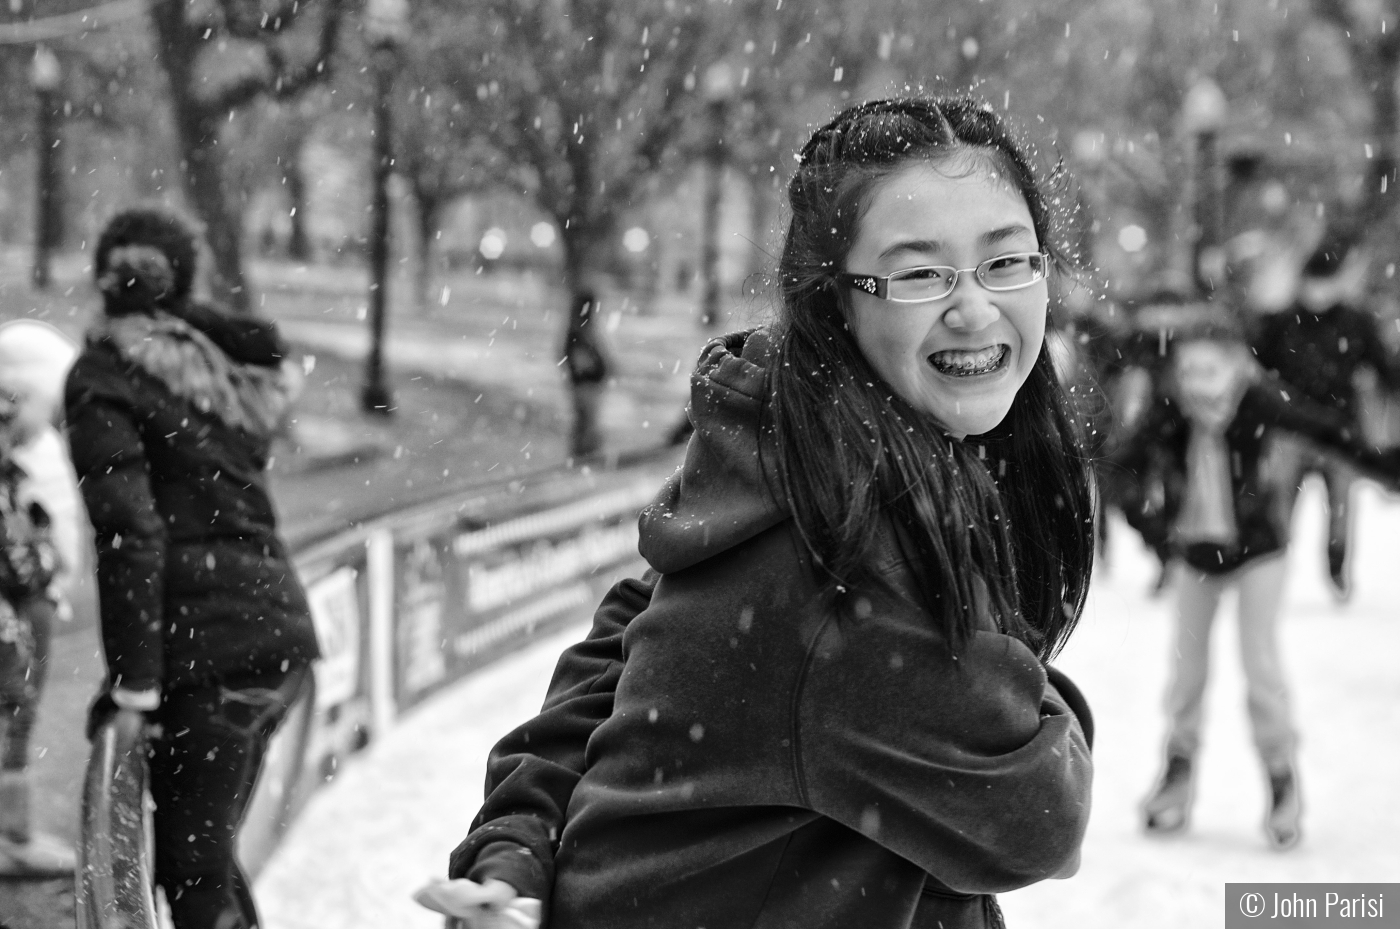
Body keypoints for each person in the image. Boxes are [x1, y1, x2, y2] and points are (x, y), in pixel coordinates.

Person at [417, 96, 1098, 929]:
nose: (975, 307)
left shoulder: (817, 461)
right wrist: (1043, 703)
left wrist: (518, 839)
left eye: (1007, 262)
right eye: (921, 272)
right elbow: (1039, 816)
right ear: (837, 300)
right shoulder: (834, 574)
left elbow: (637, 635)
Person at [65, 207, 318, 928]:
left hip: (216, 656)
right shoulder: (214, 371)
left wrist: (135, 685)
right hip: (276, 645)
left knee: (195, 872)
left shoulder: (104, 376)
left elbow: (130, 529)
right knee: (205, 862)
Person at [1118, 324, 1400, 850]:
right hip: (1196, 554)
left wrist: (1385, 464)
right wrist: (1154, 530)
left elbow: (1327, 430)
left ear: (1238, 368)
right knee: (1187, 673)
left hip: (1258, 553)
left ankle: (1281, 779)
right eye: (1188, 371)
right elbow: (1122, 467)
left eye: (1211, 369)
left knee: (1260, 667)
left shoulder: (1259, 401)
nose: (1199, 383)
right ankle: (1176, 777)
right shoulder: (1171, 410)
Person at [1250, 238, 1400, 599]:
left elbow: (1384, 369)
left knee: (1341, 505)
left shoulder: (1356, 322)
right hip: (1289, 426)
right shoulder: (1281, 321)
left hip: (1341, 427)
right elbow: (1256, 368)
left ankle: (1336, 568)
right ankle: (1273, 566)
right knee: (1280, 501)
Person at [0, 385, 74, 878]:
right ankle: (11, 838)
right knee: (12, 715)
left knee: (17, 716)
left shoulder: (12, 476)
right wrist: (44, 563)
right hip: (12, 620)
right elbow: (20, 563)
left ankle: (14, 833)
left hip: (20, 617)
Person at [561, 289, 612, 458]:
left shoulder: (583, 329)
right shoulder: (580, 331)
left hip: (588, 385)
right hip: (586, 385)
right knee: (585, 423)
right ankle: (583, 456)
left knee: (586, 422)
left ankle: (584, 455)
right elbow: (581, 363)